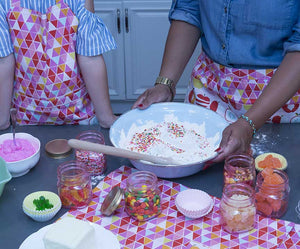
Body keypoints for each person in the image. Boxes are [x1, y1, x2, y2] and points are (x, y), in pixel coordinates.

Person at [132, 1, 300, 162]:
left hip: (278, 103)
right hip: (209, 92)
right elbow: (189, 10)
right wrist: (165, 83)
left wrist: (248, 124)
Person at [0, 0, 117, 130]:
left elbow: (90, 58)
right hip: (25, 118)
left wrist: (105, 117)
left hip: (79, 117)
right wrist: (2, 119)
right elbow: (4, 62)